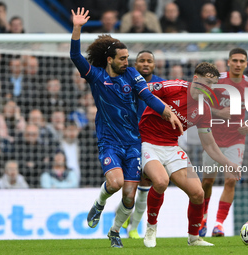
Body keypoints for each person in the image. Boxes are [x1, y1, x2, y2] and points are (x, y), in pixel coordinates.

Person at [70, 7, 182, 248]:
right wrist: (77, 28)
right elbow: (76, 57)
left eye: (127, 58)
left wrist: (166, 111)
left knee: (129, 196)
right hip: (109, 141)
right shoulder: (96, 76)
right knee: (116, 183)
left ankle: (114, 232)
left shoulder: (132, 74)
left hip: (133, 142)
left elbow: (147, 96)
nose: (127, 62)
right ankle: (99, 203)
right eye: (123, 58)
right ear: (110, 60)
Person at [139, 62, 240, 247]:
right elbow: (142, 89)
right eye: (207, 83)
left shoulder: (204, 109)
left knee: (198, 193)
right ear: (195, 79)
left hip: (171, 146)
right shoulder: (174, 87)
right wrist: (164, 109)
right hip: (148, 142)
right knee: (161, 182)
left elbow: (209, 144)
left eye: (212, 85)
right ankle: (151, 227)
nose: (210, 88)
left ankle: (194, 238)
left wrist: (227, 163)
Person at [199, 48, 248, 237]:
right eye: (235, 60)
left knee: (231, 180)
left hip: (236, 139)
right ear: (228, 62)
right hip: (212, 139)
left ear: (246, 64)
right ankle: (203, 218)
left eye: (242, 61)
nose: (238, 64)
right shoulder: (216, 81)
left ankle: (219, 224)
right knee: (208, 181)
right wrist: (218, 113)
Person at [122, 50, 166, 238]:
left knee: (146, 182)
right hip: (129, 138)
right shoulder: (126, 80)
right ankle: (124, 214)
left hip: (151, 139)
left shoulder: (161, 84)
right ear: (135, 64)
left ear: (154, 65)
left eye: (149, 61)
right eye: (142, 61)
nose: (145, 64)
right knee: (130, 182)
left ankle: (133, 227)